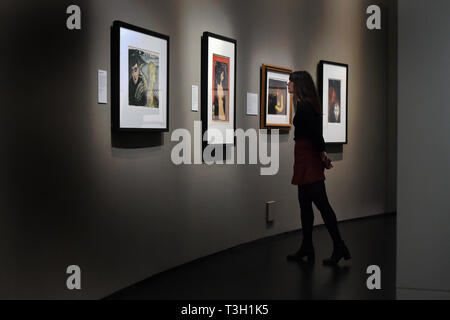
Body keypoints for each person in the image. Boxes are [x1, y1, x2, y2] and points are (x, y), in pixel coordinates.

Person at [286, 71, 351, 266]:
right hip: (305, 157)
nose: (288, 84)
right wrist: (321, 153)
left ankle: (339, 246)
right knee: (305, 205)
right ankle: (307, 246)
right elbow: (316, 133)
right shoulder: (305, 104)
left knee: (322, 205)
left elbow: (315, 135)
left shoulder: (305, 106)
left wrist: (322, 154)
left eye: (291, 81)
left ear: (299, 84)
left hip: (308, 158)